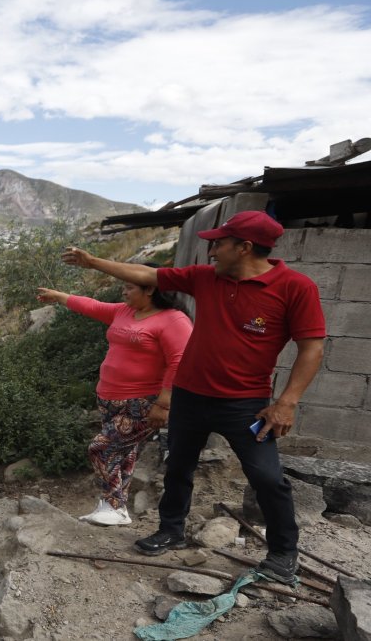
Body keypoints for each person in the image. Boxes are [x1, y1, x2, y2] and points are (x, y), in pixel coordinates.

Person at [61, 210, 325, 585]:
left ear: (244, 247)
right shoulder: (207, 279)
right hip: (189, 396)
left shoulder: (295, 287)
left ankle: (283, 552)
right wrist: (92, 262)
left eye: (219, 243)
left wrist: (288, 401)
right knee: (178, 467)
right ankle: (171, 529)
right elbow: (148, 276)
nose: (212, 251)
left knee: (267, 477)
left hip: (244, 403)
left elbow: (311, 348)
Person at [36, 275, 191, 527]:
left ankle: (114, 505)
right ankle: (116, 508)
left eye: (129, 286)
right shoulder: (125, 311)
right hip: (110, 399)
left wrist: (164, 404)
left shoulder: (173, 320)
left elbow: (181, 361)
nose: (123, 291)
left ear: (150, 288)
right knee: (123, 451)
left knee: (101, 448)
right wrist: (60, 297)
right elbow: (93, 306)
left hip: (143, 402)